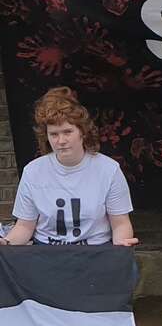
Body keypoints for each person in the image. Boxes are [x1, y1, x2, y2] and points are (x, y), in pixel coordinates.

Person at [0, 86, 138, 247]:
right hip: (46, 253)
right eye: (54, 134)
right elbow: (24, 227)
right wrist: (5, 243)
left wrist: (121, 246)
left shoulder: (109, 170)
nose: (61, 141)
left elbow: (120, 223)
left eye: (67, 132)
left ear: (82, 132)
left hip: (96, 252)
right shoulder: (33, 171)